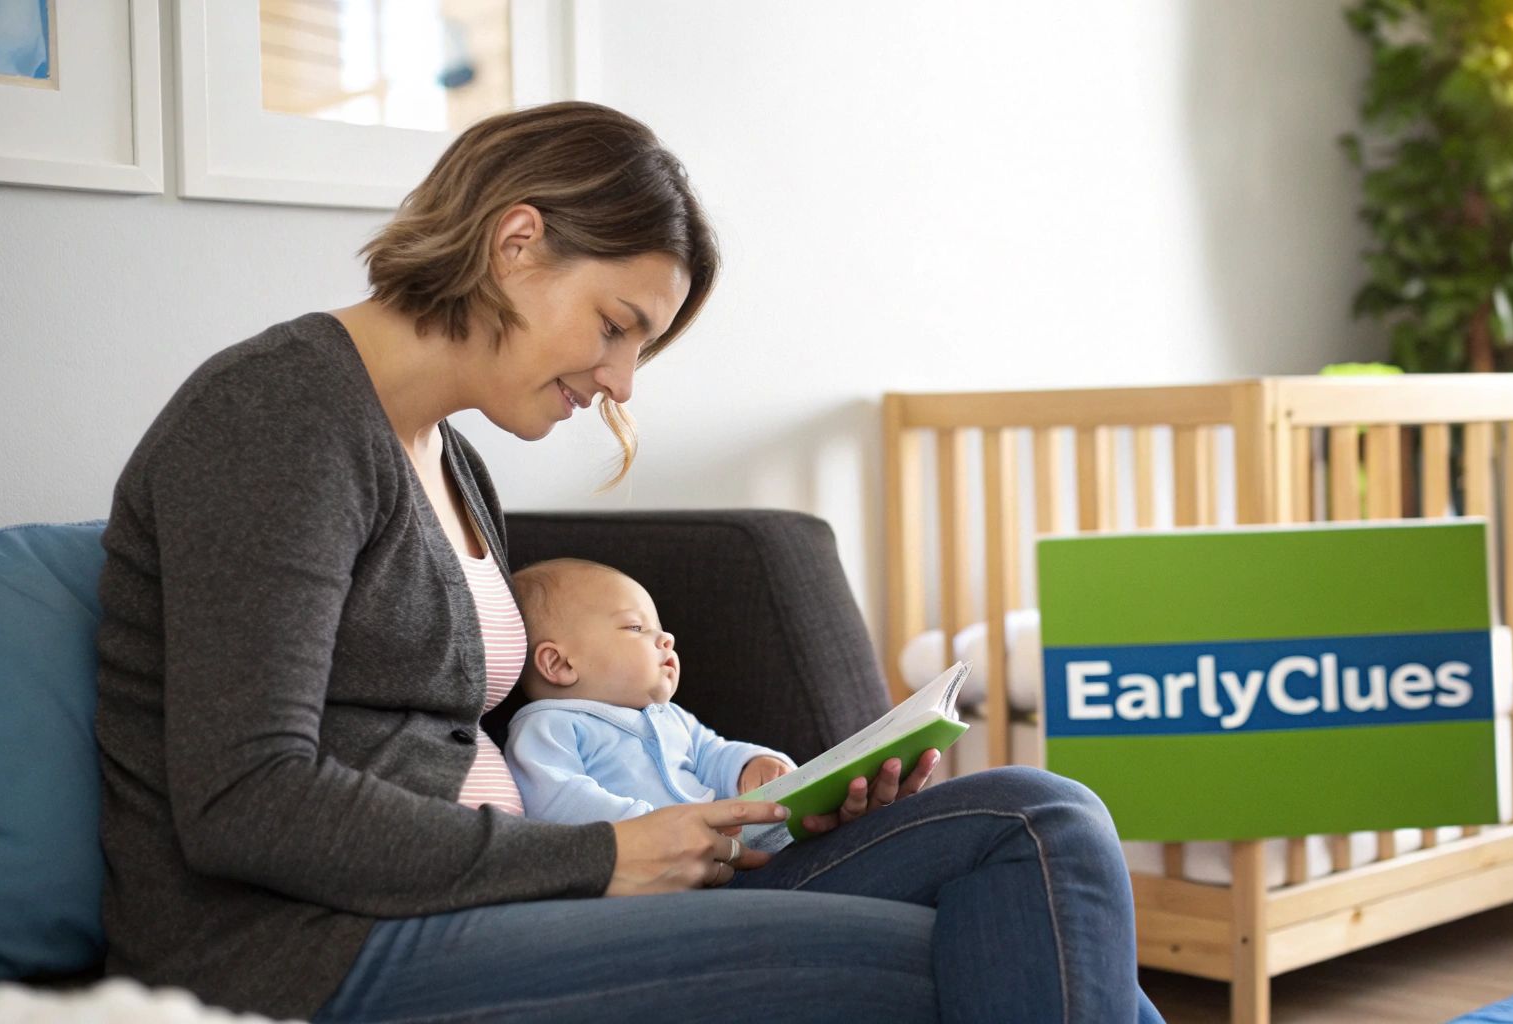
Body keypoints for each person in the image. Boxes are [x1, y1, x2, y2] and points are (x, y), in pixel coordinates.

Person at [93, 100, 1166, 1024]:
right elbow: (246, 797)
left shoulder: (451, 459)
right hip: (309, 952)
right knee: (973, 950)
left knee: (1037, 815)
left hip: (492, 897)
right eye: (615, 325)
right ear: (515, 242)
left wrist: (784, 806)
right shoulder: (278, 415)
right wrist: (603, 860)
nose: (620, 382)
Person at [504, 557, 798, 824]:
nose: (666, 638)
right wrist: (654, 828)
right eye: (635, 627)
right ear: (560, 664)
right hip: (654, 865)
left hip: (725, 849)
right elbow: (559, 801)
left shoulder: (669, 716)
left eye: (659, 627)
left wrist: (751, 766)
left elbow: (713, 754)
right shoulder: (548, 727)